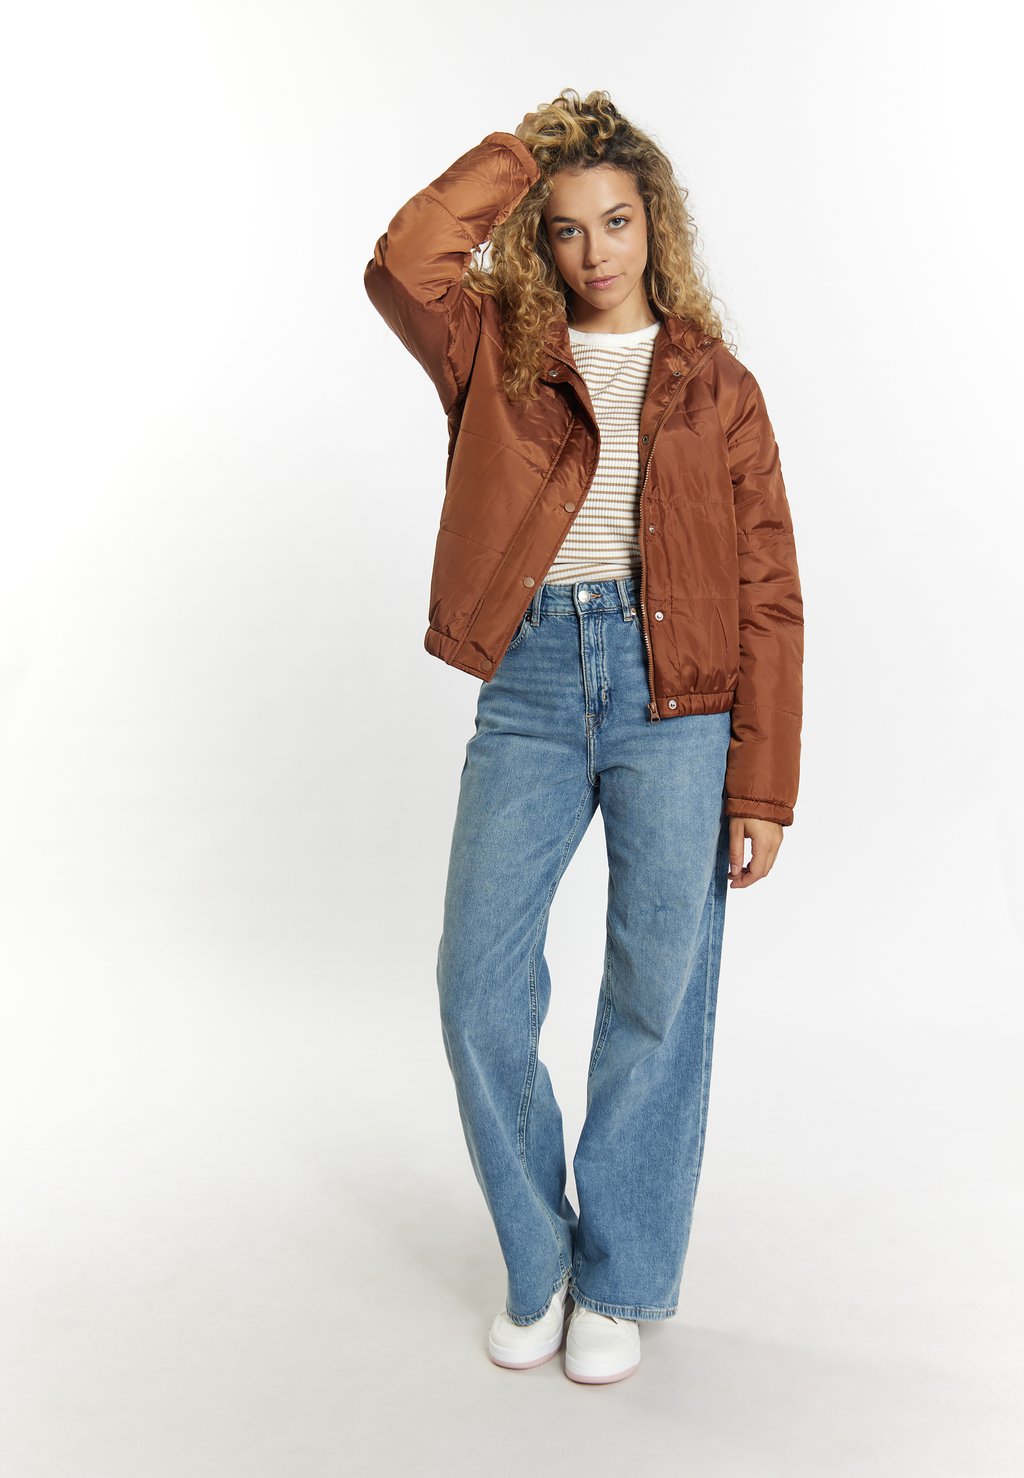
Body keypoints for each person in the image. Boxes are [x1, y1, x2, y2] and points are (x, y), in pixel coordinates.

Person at [363, 88, 804, 1385]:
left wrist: (763, 780)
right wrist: (526, 150)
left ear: (654, 224)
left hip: (683, 700)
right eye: (565, 227)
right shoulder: (494, 352)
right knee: (476, 980)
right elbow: (403, 259)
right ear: (536, 238)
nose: (595, 249)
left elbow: (769, 589)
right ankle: (539, 1255)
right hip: (536, 680)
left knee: (657, 990)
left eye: (616, 219)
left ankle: (620, 1276)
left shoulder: (718, 386)